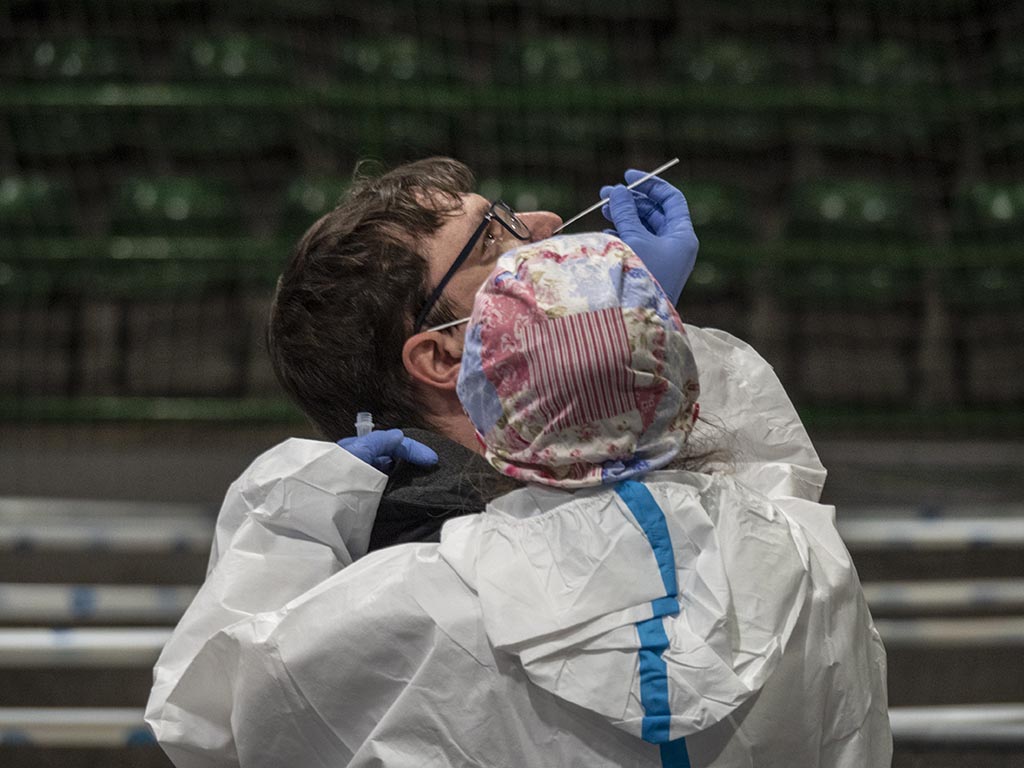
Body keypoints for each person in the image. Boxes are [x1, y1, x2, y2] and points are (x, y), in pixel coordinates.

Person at [147, 232, 890, 766]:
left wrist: (293, 504)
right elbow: (773, 461)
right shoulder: (804, 563)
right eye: (490, 242)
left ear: (484, 390)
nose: (539, 226)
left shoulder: (414, 603)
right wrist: (638, 332)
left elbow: (213, 724)